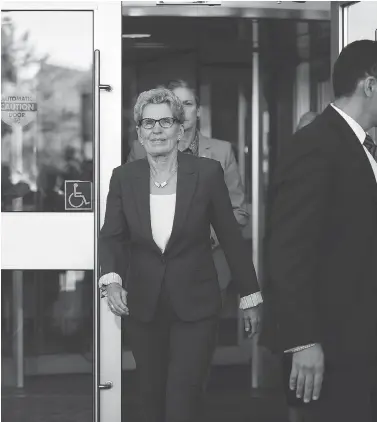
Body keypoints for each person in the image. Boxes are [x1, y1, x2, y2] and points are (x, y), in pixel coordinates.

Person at [98, 88, 262, 422]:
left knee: (183, 394)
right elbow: (112, 236)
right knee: (150, 393)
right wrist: (112, 280)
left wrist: (250, 295)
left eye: (165, 121)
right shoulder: (124, 177)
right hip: (143, 303)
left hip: (196, 302)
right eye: (148, 123)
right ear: (139, 132)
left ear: (180, 129)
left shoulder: (207, 172)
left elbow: (230, 237)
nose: (156, 129)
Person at [260, 39, 377, 422]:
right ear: (370, 85)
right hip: (332, 342)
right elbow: (289, 250)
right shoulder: (317, 144)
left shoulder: (362, 146)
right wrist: (303, 339)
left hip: (360, 338)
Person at [128, 79, 249, 300]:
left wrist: (202, 237)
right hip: (153, 271)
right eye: (176, 104)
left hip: (208, 268)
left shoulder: (222, 151)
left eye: (188, 103)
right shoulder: (141, 149)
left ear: (199, 110)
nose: (182, 110)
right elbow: (131, 207)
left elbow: (238, 212)